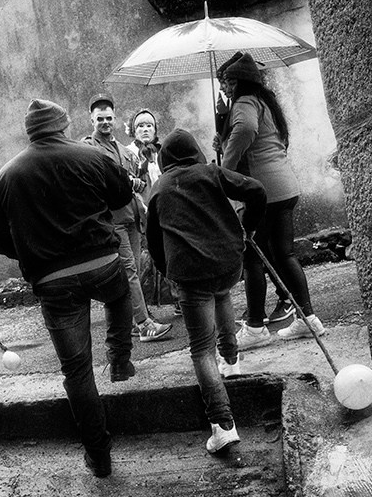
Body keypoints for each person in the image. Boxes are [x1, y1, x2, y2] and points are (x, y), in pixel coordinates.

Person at [0, 98, 136, 477]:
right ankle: (119, 356)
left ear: (31, 131)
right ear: (64, 125)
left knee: (77, 372)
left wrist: (28, 253)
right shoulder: (90, 155)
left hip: (53, 280)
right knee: (119, 293)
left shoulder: (6, 175)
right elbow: (121, 196)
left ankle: (99, 455)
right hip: (102, 263)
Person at [146, 129, 266, 452]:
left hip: (189, 272)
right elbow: (256, 190)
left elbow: (154, 242)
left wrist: (168, 271)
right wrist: (249, 224)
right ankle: (232, 364)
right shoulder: (211, 172)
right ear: (195, 152)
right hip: (227, 263)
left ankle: (223, 425)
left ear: (164, 159)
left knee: (201, 349)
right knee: (223, 295)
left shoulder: (159, 188)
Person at [220, 52, 326, 343]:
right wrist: (225, 139)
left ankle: (255, 328)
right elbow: (258, 135)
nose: (225, 88)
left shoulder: (243, 103)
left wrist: (225, 169)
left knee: (252, 258)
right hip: (285, 188)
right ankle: (308, 318)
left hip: (261, 193)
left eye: (228, 82)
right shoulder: (266, 102)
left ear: (240, 82)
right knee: (284, 253)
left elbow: (246, 129)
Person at [82, 94, 173, 342]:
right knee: (130, 270)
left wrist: (138, 182)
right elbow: (94, 181)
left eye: (109, 118)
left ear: (115, 118)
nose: (105, 122)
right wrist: (125, 181)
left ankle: (132, 322)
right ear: (91, 119)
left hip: (131, 217)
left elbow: (139, 182)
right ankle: (144, 324)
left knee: (130, 270)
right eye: (100, 119)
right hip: (111, 220)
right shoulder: (88, 148)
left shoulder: (123, 150)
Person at [125, 109, 181, 316]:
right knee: (143, 260)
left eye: (149, 125)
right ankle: (140, 307)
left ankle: (178, 299)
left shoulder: (162, 151)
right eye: (140, 125)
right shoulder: (128, 152)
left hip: (164, 209)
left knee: (170, 253)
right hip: (141, 212)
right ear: (133, 130)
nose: (145, 129)